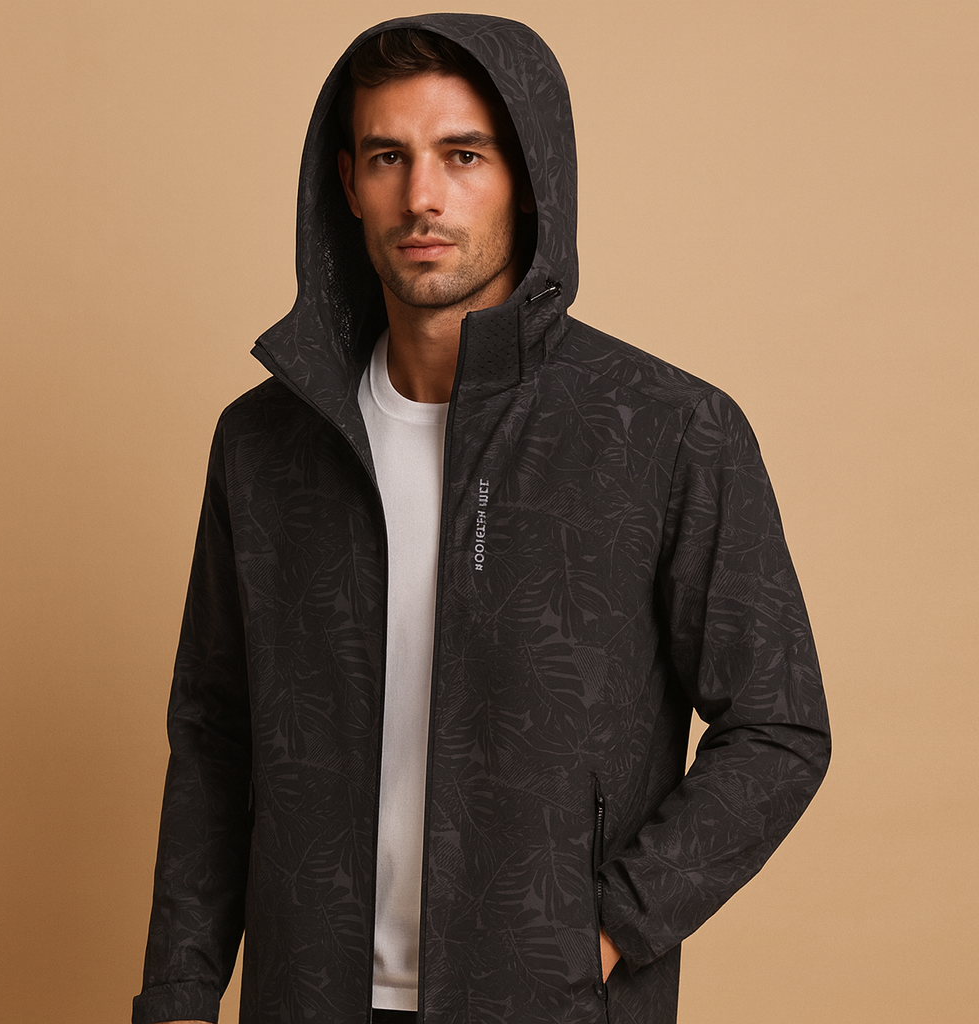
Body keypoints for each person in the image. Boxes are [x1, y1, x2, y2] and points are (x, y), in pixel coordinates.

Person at [132, 14, 830, 1024]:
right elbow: (214, 736)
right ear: (347, 182)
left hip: (548, 1001)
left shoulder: (664, 431)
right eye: (389, 157)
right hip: (308, 994)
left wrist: (606, 927)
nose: (422, 196)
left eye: (463, 155)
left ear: (527, 178)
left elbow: (779, 724)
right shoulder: (263, 443)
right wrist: (180, 992)